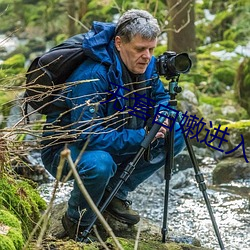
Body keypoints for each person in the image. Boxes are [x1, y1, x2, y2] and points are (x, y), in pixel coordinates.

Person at [41, 9, 185, 241]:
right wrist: (143, 135)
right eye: (140, 49)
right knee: (100, 164)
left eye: (152, 49)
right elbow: (87, 136)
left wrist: (162, 118)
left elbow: (160, 99)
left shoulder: (145, 65)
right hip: (66, 150)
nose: (147, 56)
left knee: (176, 132)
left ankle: (115, 193)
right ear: (119, 43)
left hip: (116, 135)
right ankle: (76, 221)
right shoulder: (92, 75)